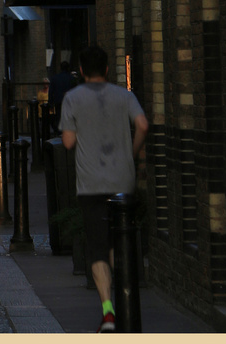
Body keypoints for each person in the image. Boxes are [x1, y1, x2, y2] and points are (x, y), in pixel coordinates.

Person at [60, 43, 148, 333]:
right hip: (123, 180)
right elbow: (143, 125)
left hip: (91, 185)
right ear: (108, 69)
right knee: (120, 242)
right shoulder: (124, 96)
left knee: (98, 248)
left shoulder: (72, 99)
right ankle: (126, 302)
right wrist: (132, 155)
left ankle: (108, 313)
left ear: (82, 71)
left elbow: (68, 143)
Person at [49, 61, 75, 133]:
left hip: (58, 100)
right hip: (69, 101)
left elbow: (51, 91)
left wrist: (50, 103)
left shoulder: (55, 78)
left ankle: (59, 132)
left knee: (59, 116)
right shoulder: (71, 78)